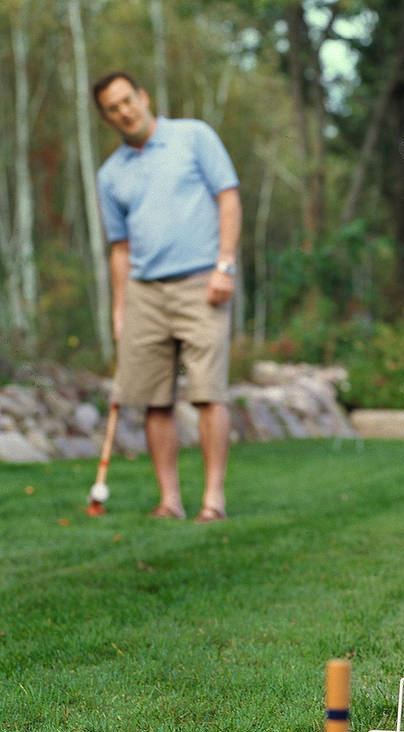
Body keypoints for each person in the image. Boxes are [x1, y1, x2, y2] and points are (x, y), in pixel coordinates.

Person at [93, 71, 241, 523]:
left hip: (202, 282)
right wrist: (120, 307)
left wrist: (224, 265)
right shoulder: (110, 174)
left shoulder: (193, 136)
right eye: (113, 108)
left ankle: (212, 501)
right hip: (144, 292)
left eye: (127, 100)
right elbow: (119, 249)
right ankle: (169, 502)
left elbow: (228, 199)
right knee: (154, 400)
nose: (124, 111)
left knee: (207, 394)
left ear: (143, 96)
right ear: (107, 118)